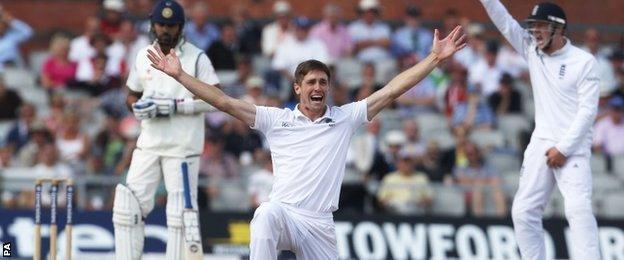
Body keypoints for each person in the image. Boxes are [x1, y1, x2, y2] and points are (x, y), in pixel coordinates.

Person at [147, 17, 466, 258]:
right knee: (265, 214)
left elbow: (393, 89)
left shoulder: (344, 117)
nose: (318, 87)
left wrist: (435, 59)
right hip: (284, 212)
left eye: (323, 82)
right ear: (297, 87)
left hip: (319, 223)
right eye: (311, 81)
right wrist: (180, 75)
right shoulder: (277, 119)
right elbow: (224, 101)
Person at [479, 1, 601, 259]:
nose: (535, 32)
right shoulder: (532, 50)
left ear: (559, 29)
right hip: (541, 142)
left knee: (578, 210)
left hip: (573, 147)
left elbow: (587, 112)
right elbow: (504, 21)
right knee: (523, 212)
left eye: (542, 26)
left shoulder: (584, 62)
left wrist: (564, 149)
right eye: (533, 26)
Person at [111, 1, 220, 259]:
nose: (166, 30)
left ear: (181, 27)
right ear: (152, 24)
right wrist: (137, 108)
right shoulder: (142, 55)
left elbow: (216, 100)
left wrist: (175, 105)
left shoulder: (196, 57)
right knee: (128, 207)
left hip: (182, 148)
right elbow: (132, 94)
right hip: (149, 143)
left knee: (180, 214)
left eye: (171, 25)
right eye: (161, 24)